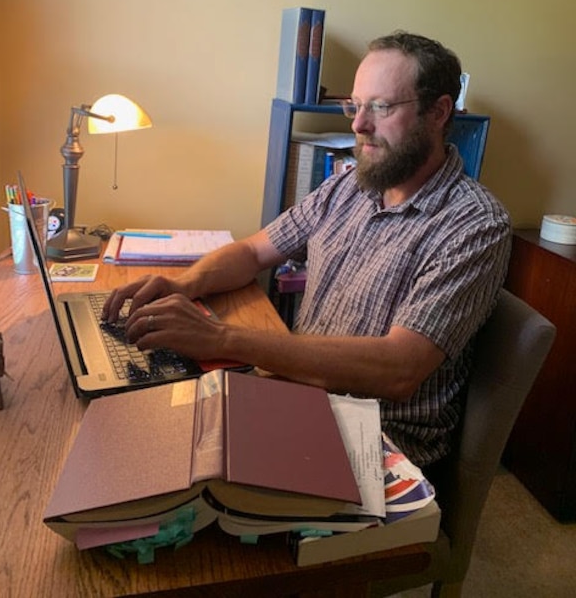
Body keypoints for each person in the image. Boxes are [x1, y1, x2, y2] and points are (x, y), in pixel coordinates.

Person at [103, 31, 511, 468]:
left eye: (381, 107)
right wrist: (182, 284)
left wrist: (222, 339)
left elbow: (400, 368)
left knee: (168, 463)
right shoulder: (348, 187)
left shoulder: (474, 224)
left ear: (438, 112)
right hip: (301, 396)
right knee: (138, 417)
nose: (358, 124)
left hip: (377, 445)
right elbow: (254, 253)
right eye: (355, 105)